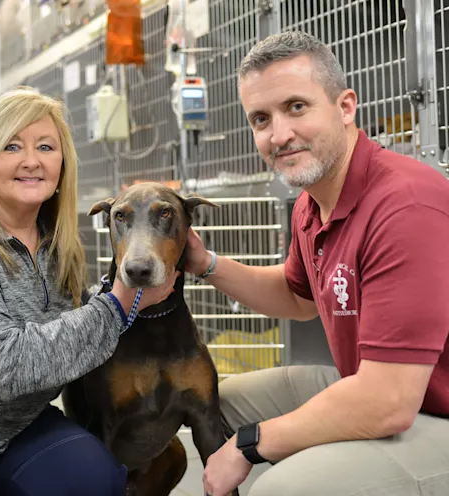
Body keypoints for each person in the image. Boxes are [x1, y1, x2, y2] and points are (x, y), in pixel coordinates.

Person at [184, 31, 449, 496]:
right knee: (203, 405)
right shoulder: (312, 204)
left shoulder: (405, 205)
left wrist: (251, 445)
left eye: (297, 107)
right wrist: (204, 262)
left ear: (345, 107)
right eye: (261, 118)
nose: (279, 134)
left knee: (283, 488)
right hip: (377, 388)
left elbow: (388, 403)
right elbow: (297, 297)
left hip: (431, 413)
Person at [0, 87, 178, 495]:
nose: (31, 161)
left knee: (95, 478)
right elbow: (3, 367)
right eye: (11, 146)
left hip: (18, 426)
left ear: (62, 163)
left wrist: (128, 290)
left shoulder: (58, 244)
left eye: (45, 146)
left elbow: (66, 324)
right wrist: (118, 303)